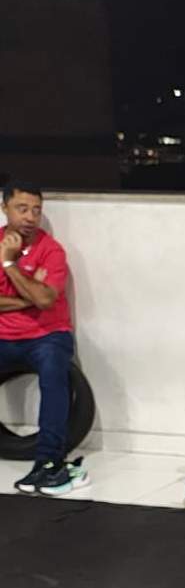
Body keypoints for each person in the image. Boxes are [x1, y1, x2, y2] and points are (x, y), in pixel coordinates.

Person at [0, 180, 87, 496]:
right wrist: (29, 296)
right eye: (22, 208)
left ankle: (50, 463)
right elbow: (37, 297)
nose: (30, 217)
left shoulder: (51, 250)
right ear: (4, 208)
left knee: (53, 371)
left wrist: (9, 264)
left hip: (47, 336)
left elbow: (47, 300)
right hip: (3, 336)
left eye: (36, 210)